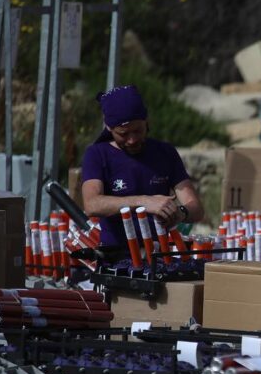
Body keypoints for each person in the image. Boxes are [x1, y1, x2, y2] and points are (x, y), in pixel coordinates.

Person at [81, 85, 204, 251]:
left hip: (159, 257)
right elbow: (92, 204)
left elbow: (195, 207)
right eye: (123, 134)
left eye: (138, 131)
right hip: (116, 258)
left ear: (147, 121)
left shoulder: (165, 153)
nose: (132, 140)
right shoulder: (97, 154)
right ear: (109, 128)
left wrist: (180, 213)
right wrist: (144, 202)